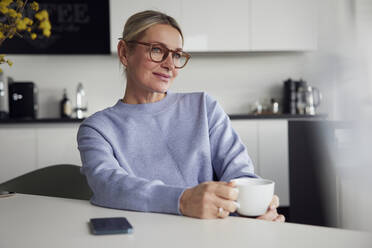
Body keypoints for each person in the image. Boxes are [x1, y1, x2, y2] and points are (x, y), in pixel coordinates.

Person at [77, 10, 285, 221]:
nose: (169, 65)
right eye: (157, 50)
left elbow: (240, 174)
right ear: (124, 52)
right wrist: (183, 200)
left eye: (176, 55)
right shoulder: (97, 129)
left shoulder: (204, 108)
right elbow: (108, 185)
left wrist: (256, 208)